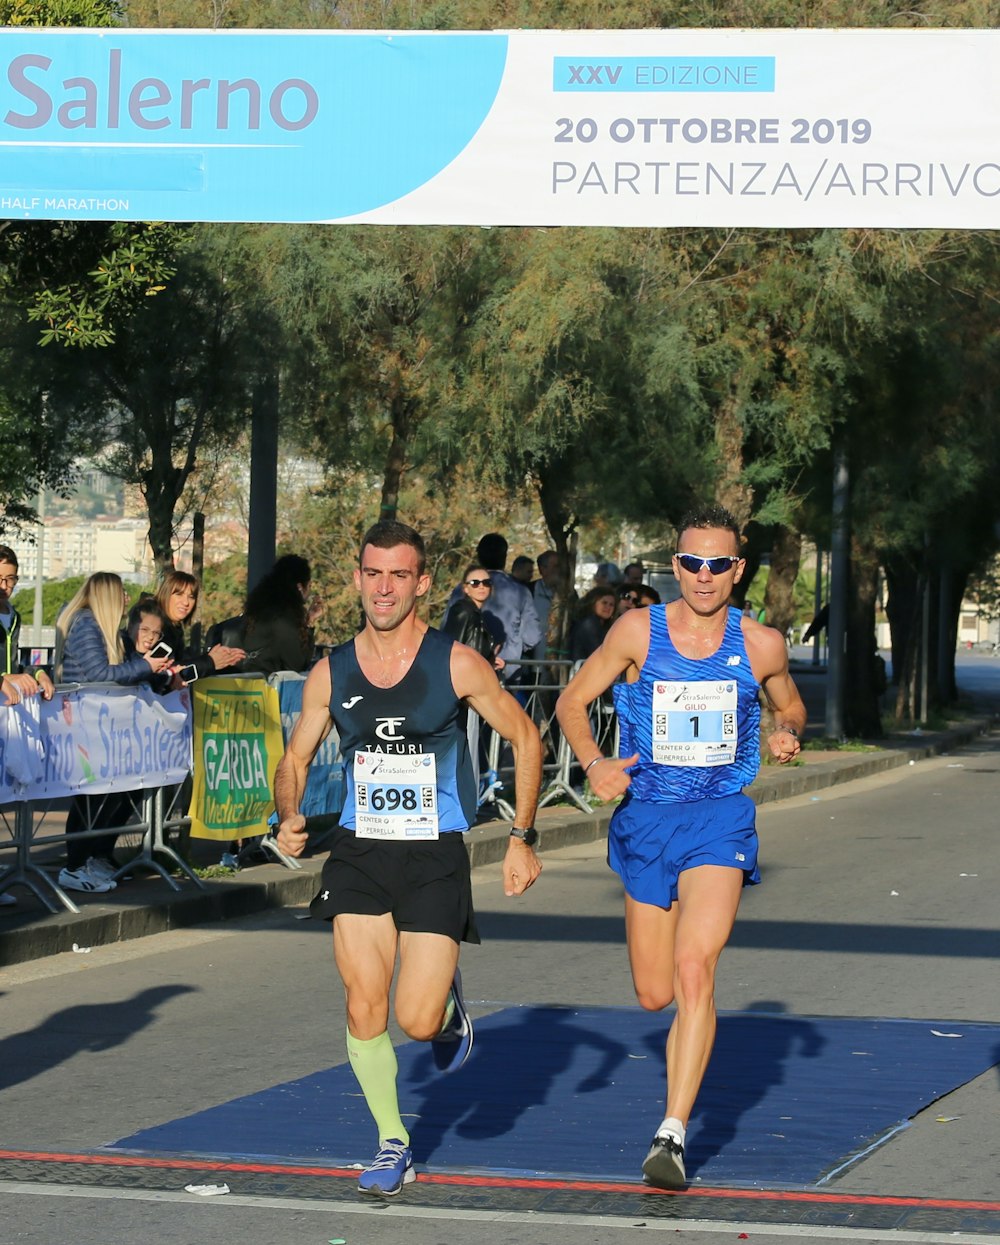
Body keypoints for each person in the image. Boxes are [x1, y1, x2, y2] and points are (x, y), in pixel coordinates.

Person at [275, 519, 542, 1198]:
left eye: (400, 574)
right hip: (360, 852)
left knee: (415, 1020)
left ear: (423, 582)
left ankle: (448, 1009)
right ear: (358, 577)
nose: (385, 587)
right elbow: (296, 757)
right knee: (365, 1003)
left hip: (433, 853)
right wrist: (289, 815)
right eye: (374, 572)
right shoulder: (330, 670)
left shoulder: (455, 661)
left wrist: (522, 835)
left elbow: (526, 736)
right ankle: (394, 1140)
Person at [555, 505, 806, 1190]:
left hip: (720, 819)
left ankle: (672, 1130)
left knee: (696, 966)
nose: (703, 574)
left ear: (738, 569)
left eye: (717, 563)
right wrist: (594, 761)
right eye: (692, 561)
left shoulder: (761, 645)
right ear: (676, 565)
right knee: (653, 991)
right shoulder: (638, 629)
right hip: (646, 821)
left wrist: (786, 731)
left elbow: (791, 705)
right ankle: (674, 1102)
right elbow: (572, 701)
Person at [55, 572, 174, 893]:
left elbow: (123, 667)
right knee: (90, 796)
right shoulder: (86, 625)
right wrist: (148, 668)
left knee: (111, 791)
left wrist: (157, 675)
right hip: (88, 724)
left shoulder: (101, 629)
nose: (125, 600)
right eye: (121, 594)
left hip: (104, 725)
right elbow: (100, 673)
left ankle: (92, 858)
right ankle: (75, 865)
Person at [155, 570, 245, 680]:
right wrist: (210, 662)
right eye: (179, 594)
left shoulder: (174, 629)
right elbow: (160, 673)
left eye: (191, 597)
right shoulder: (156, 628)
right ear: (166, 594)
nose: (186, 602)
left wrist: (215, 659)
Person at [241, 554, 320, 676]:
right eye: (309, 586)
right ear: (299, 587)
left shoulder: (259, 610)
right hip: (269, 689)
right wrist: (309, 624)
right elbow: (297, 664)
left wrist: (309, 619)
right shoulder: (283, 618)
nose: (309, 592)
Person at [0, 545, 54, 699]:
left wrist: (38, 673)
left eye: (10, 579)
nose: (4, 586)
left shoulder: (14, 617)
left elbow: (13, 669)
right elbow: (7, 676)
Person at [443, 563, 504, 672]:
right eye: (475, 583)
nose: (481, 586)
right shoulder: (463, 610)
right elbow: (451, 651)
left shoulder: (478, 615)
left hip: (473, 678)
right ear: (466, 589)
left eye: (486, 582)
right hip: (462, 680)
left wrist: (490, 662)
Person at [568, 586, 617, 663]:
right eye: (604, 603)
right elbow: (597, 651)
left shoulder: (605, 626)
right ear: (593, 602)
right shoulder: (588, 624)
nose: (608, 607)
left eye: (611, 605)